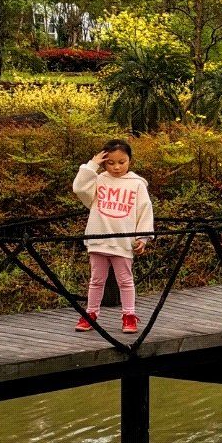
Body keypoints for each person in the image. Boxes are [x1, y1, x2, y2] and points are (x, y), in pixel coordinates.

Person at [72, 139, 154, 333]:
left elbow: (145, 211)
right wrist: (92, 164)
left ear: (130, 161)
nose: (116, 167)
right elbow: (79, 188)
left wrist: (143, 238)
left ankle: (129, 315)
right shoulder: (98, 180)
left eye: (122, 162)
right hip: (98, 239)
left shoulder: (137, 184)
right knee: (96, 280)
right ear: (104, 161)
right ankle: (90, 313)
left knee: (125, 281)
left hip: (122, 242)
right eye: (110, 162)